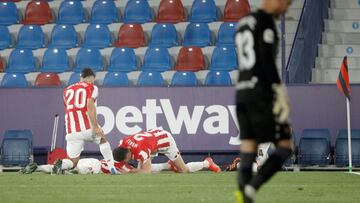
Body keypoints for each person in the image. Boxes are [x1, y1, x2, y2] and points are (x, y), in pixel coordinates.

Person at [234, 0, 293, 202]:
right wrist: (279, 90)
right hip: (261, 93)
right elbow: (266, 61)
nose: (286, 9)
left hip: (241, 92)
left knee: (248, 147)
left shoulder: (243, 23)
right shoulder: (266, 22)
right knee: (285, 146)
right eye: (286, 3)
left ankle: (244, 196)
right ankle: (252, 187)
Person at [53, 68, 117, 175]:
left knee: (72, 162)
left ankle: (61, 164)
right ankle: (112, 168)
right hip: (88, 127)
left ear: (81, 77)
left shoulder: (66, 90)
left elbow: (69, 108)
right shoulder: (92, 87)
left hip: (72, 130)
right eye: (92, 80)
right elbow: (90, 106)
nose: (91, 82)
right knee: (103, 141)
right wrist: (96, 126)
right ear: (91, 78)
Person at [112, 128, 221, 174]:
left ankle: (207, 163)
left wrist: (130, 171)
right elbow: (119, 162)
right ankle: (169, 165)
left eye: (128, 158)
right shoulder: (123, 142)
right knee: (139, 168)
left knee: (183, 170)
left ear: (128, 152)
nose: (129, 160)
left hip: (165, 141)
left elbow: (147, 171)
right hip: (152, 138)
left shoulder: (142, 151)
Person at [19, 159, 134, 175]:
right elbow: (121, 172)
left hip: (90, 160)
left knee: (71, 164)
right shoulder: (122, 165)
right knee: (80, 171)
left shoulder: (111, 159)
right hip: (94, 166)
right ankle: (65, 171)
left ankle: (37, 167)